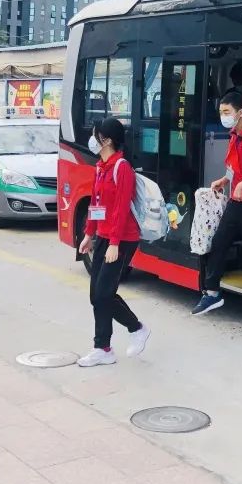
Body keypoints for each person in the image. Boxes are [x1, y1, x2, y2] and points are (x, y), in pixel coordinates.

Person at [77, 117, 149, 366]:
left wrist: (115, 243)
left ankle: (137, 328)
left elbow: (120, 208)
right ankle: (103, 349)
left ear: (106, 140)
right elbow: (95, 205)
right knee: (96, 295)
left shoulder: (122, 168)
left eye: (95, 134)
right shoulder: (101, 167)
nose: (91, 138)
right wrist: (89, 234)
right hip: (104, 236)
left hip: (123, 238)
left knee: (104, 294)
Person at [192, 92, 242, 315]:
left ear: (240, 113)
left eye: (227, 112)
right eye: (221, 112)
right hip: (235, 202)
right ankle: (212, 293)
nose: (223, 116)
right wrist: (225, 180)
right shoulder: (233, 135)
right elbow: (234, 167)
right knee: (219, 242)